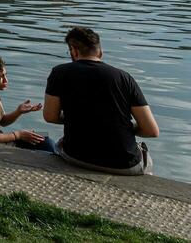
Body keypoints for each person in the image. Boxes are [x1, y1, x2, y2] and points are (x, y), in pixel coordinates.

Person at [44, 27, 159, 174]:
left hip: (76, 156)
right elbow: (151, 130)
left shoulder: (59, 73)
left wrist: (81, 119)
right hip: (125, 164)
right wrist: (124, 127)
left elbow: (50, 116)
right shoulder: (124, 78)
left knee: (59, 143)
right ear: (100, 51)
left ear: (73, 51)